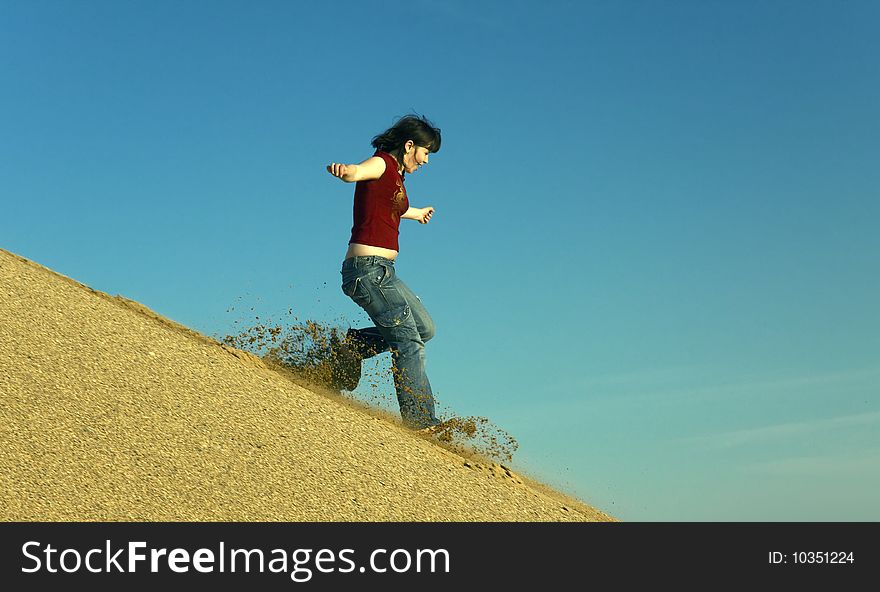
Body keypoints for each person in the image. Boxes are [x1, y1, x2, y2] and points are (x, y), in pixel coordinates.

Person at [326, 114, 443, 431]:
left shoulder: (398, 180)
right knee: (408, 342)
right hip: (367, 271)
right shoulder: (382, 164)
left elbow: (399, 209)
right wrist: (346, 172)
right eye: (425, 152)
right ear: (409, 146)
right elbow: (359, 172)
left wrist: (418, 214)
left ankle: (355, 345)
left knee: (425, 329)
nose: (426, 160)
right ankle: (420, 421)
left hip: (384, 272)